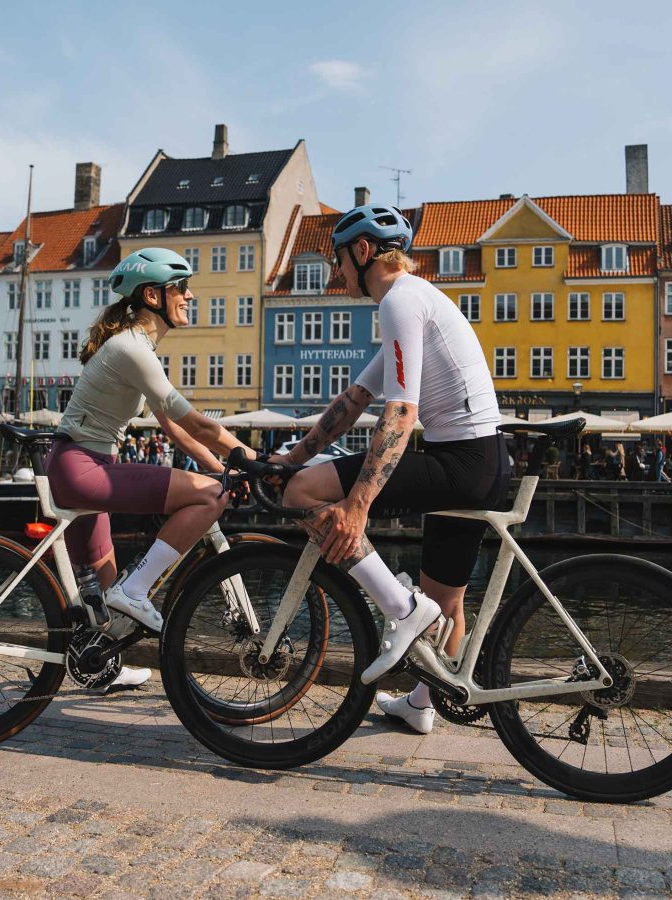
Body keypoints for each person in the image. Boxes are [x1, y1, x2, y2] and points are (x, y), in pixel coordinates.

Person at [269, 204, 510, 736]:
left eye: (338, 262)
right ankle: (423, 702)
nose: (336, 274)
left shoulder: (400, 300)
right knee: (445, 598)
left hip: (461, 461)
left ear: (362, 252)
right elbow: (354, 402)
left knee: (300, 493)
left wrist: (357, 504)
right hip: (485, 459)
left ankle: (400, 609)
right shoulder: (417, 298)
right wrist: (291, 457)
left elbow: (401, 411)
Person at [44, 248, 258, 689]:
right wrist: (254, 462)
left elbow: (178, 434)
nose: (191, 295)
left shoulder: (136, 349)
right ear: (153, 296)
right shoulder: (130, 348)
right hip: (84, 468)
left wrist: (222, 467)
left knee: (106, 603)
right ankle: (135, 591)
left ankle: (102, 665)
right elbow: (194, 421)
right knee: (208, 496)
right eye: (181, 288)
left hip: (85, 465)